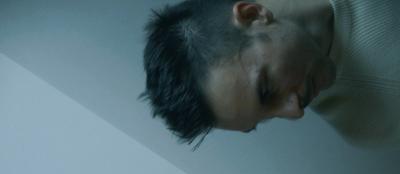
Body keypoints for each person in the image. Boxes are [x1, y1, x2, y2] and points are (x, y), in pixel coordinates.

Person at [142, 0, 400, 147]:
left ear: (253, 15)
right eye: (263, 120)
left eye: (266, 90)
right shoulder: (365, 126)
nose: (295, 112)